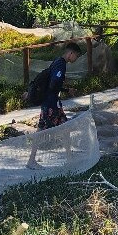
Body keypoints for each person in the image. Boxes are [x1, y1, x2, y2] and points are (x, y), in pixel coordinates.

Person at [26, 41, 82, 169]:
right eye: (76, 56)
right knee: (41, 131)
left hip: (52, 102)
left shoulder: (57, 61)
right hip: (51, 104)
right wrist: (67, 90)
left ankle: (69, 158)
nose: (76, 59)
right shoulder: (61, 65)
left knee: (65, 128)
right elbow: (54, 84)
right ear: (71, 53)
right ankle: (31, 161)